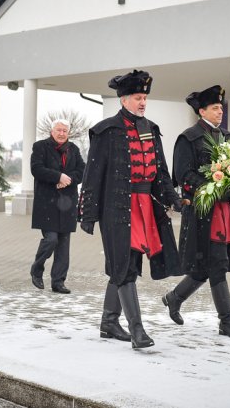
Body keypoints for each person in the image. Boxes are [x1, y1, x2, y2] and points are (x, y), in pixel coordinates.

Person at [79, 69, 183, 349]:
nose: (142, 102)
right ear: (123, 100)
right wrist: (88, 213)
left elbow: (161, 172)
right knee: (123, 267)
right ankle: (137, 330)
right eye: (137, 97)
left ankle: (109, 321)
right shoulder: (106, 131)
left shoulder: (151, 129)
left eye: (145, 97)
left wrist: (174, 199)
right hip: (116, 207)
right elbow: (92, 174)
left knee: (128, 267)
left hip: (145, 207)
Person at [165, 85, 230, 339]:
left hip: (223, 212)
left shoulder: (227, 137)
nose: (220, 111)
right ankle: (227, 321)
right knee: (217, 265)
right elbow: (182, 175)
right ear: (201, 111)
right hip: (201, 212)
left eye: (221, 107)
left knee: (206, 267)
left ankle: (173, 298)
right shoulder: (188, 137)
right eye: (215, 107)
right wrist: (211, 187)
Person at [29, 118, 86, 294]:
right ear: (52, 131)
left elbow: (82, 170)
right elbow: (36, 169)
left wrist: (67, 181)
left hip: (67, 203)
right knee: (51, 239)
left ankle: (58, 282)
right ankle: (37, 269)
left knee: (63, 244)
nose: (62, 133)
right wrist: (58, 177)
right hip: (47, 202)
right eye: (58, 130)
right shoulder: (40, 147)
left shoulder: (73, 149)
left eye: (64, 131)